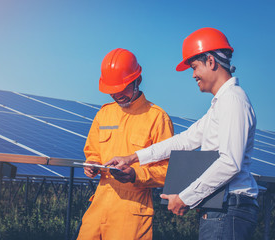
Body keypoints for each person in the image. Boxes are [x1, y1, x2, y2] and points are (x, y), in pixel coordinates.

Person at [106, 27, 259, 240]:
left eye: (194, 67)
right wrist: (132, 157)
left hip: (229, 209)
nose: (193, 75)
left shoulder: (233, 100)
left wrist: (186, 198)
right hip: (222, 209)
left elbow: (229, 163)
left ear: (211, 61)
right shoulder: (221, 104)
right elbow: (185, 140)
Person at [77, 48, 174, 240]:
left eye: (122, 89)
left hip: (132, 213)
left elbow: (168, 170)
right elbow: (93, 151)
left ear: (137, 80)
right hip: (98, 206)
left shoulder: (157, 118)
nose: (117, 95)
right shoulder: (104, 114)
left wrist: (135, 175)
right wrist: (93, 164)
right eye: (112, 91)